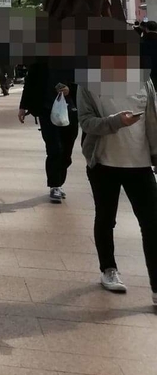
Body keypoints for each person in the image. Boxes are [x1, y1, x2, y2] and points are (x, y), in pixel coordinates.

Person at [79, 42, 157, 299]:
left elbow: (153, 119)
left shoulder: (143, 81)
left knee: (152, 223)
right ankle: (108, 269)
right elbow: (86, 122)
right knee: (106, 218)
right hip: (103, 164)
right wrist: (115, 122)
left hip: (140, 164)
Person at [18, 58, 78, 203]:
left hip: (70, 110)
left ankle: (59, 181)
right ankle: (54, 185)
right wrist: (23, 106)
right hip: (46, 111)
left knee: (66, 150)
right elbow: (30, 83)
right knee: (54, 148)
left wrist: (70, 90)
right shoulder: (40, 62)